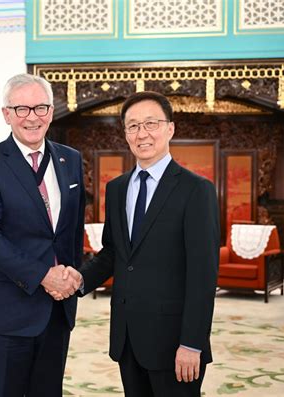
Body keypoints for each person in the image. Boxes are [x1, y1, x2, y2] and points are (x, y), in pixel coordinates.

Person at [57, 91, 220, 397]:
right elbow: (114, 253)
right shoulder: (117, 189)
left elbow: (203, 275)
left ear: (170, 129)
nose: (141, 133)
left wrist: (192, 343)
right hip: (127, 337)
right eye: (132, 126)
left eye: (150, 123)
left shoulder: (196, 190)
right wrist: (78, 279)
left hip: (175, 344)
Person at [0, 73, 85, 397]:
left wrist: (73, 275)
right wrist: (43, 275)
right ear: (7, 114)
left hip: (56, 311)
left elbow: (71, 230)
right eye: (22, 109)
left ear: (51, 111)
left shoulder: (70, 159)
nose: (33, 117)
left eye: (41, 107)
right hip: (6, 312)